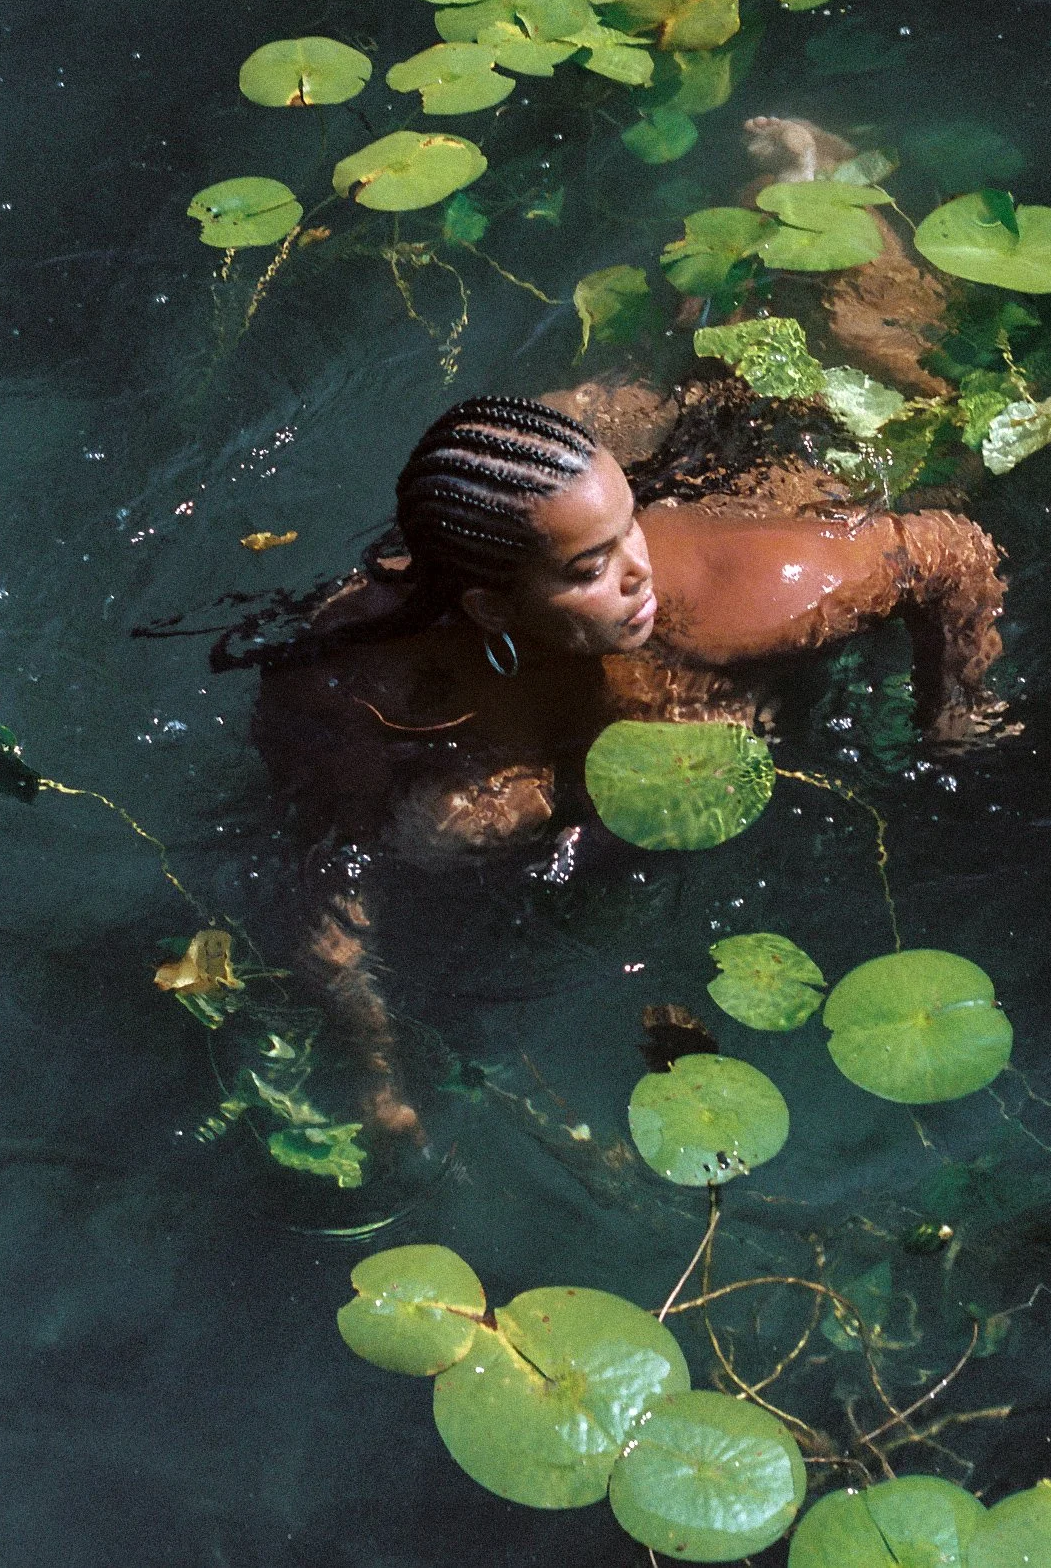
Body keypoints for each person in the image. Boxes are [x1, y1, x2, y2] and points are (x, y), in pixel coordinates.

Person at [253, 395, 1006, 1138]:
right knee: (448, 826)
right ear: (490, 610)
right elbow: (329, 892)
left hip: (757, 488)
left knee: (687, 725)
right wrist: (376, 1078)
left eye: (629, 527)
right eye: (592, 567)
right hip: (523, 660)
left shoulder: (730, 598)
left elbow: (950, 551)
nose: (638, 571)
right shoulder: (358, 680)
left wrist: (953, 718)